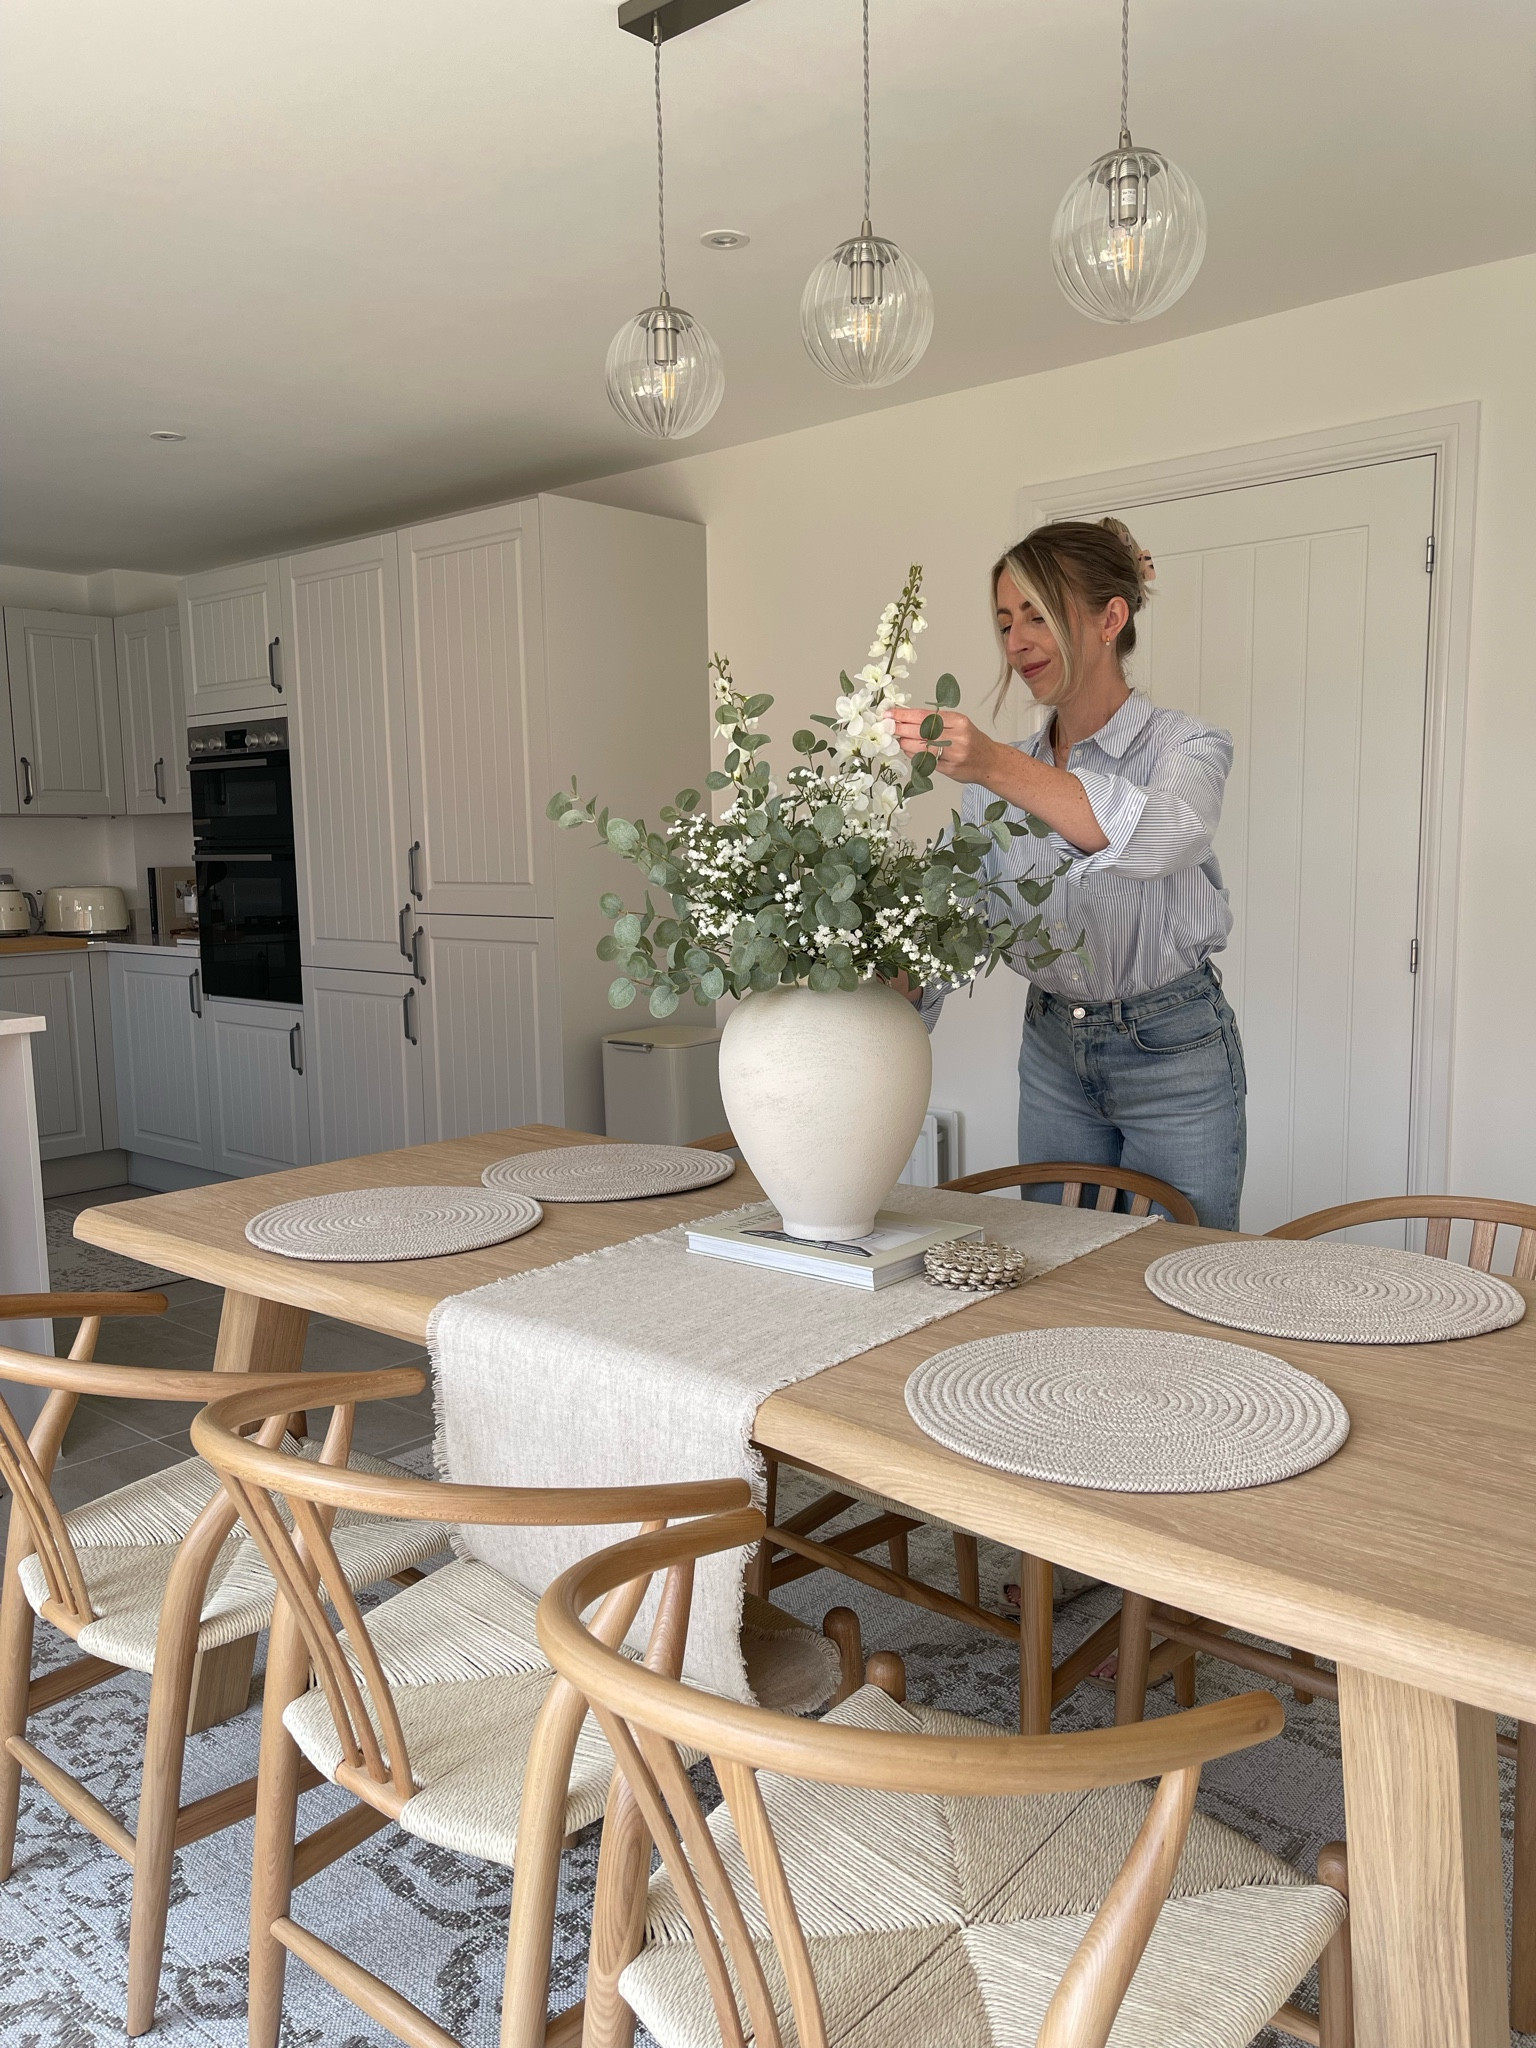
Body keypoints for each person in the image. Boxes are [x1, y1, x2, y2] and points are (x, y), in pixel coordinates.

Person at [893, 518, 1246, 1229]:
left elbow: (1161, 837)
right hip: (1052, 1049)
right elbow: (965, 918)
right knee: (1058, 1264)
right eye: (1004, 622)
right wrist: (878, 991)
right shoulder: (996, 775)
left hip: (1173, 1050)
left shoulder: (1188, 745)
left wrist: (993, 763)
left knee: (1185, 1271)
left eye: (1037, 616)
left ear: (1109, 617)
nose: (1016, 642)